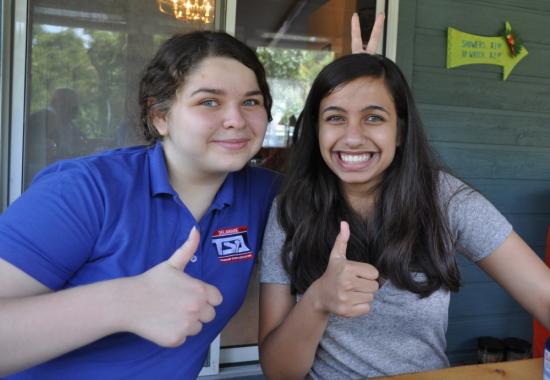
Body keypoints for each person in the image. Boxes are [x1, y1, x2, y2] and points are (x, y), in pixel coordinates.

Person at [0, 31, 279, 379]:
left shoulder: (266, 195)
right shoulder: (85, 191)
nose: (237, 119)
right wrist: (124, 301)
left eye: (251, 102)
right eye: (209, 101)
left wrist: (360, 75)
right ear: (160, 116)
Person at [257, 53, 550, 379]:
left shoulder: (445, 199)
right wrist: (317, 302)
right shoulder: (290, 211)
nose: (352, 137)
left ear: (399, 131)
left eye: (374, 117)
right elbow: (278, 372)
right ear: (317, 130)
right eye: (336, 117)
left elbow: (544, 295)